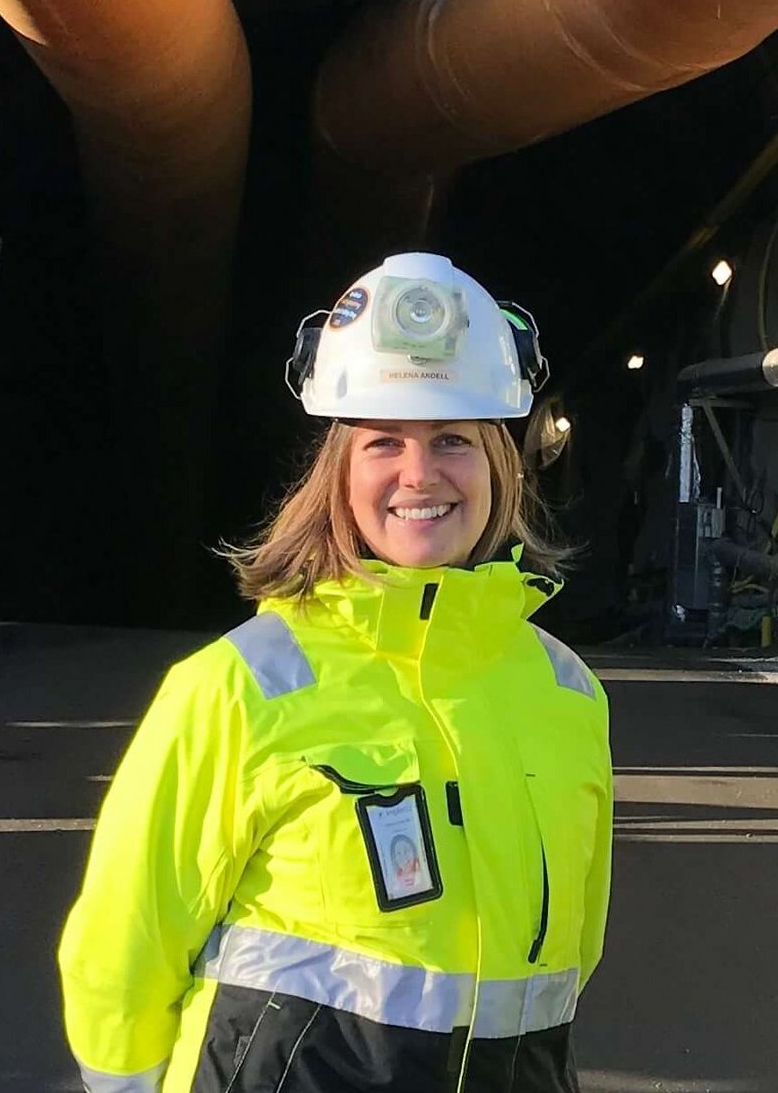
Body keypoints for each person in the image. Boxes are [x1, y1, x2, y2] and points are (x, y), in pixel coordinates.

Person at [58, 252, 613, 1092]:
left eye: (453, 439)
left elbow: (571, 955)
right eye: (384, 441)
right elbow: (122, 947)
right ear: (339, 475)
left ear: (499, 465)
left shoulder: (564, 692)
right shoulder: (240, 687)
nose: (419, 473)